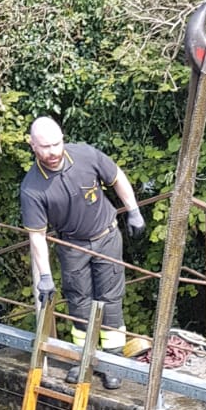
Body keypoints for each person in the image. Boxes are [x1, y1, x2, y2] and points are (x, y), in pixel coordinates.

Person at [20, 117, 145, 390]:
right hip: (72, 246)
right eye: (45, 147)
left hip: (106, 236)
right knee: (78, 301)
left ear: (63, 139)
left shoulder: (85, 156)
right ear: (33, 146)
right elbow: (37, 236)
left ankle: (112, 362)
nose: (53, 152)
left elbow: (117, 177)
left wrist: (133, 210)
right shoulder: (32, 188)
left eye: (57, 144)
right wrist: (45, 276)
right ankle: (84, 358)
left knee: (110, 299)